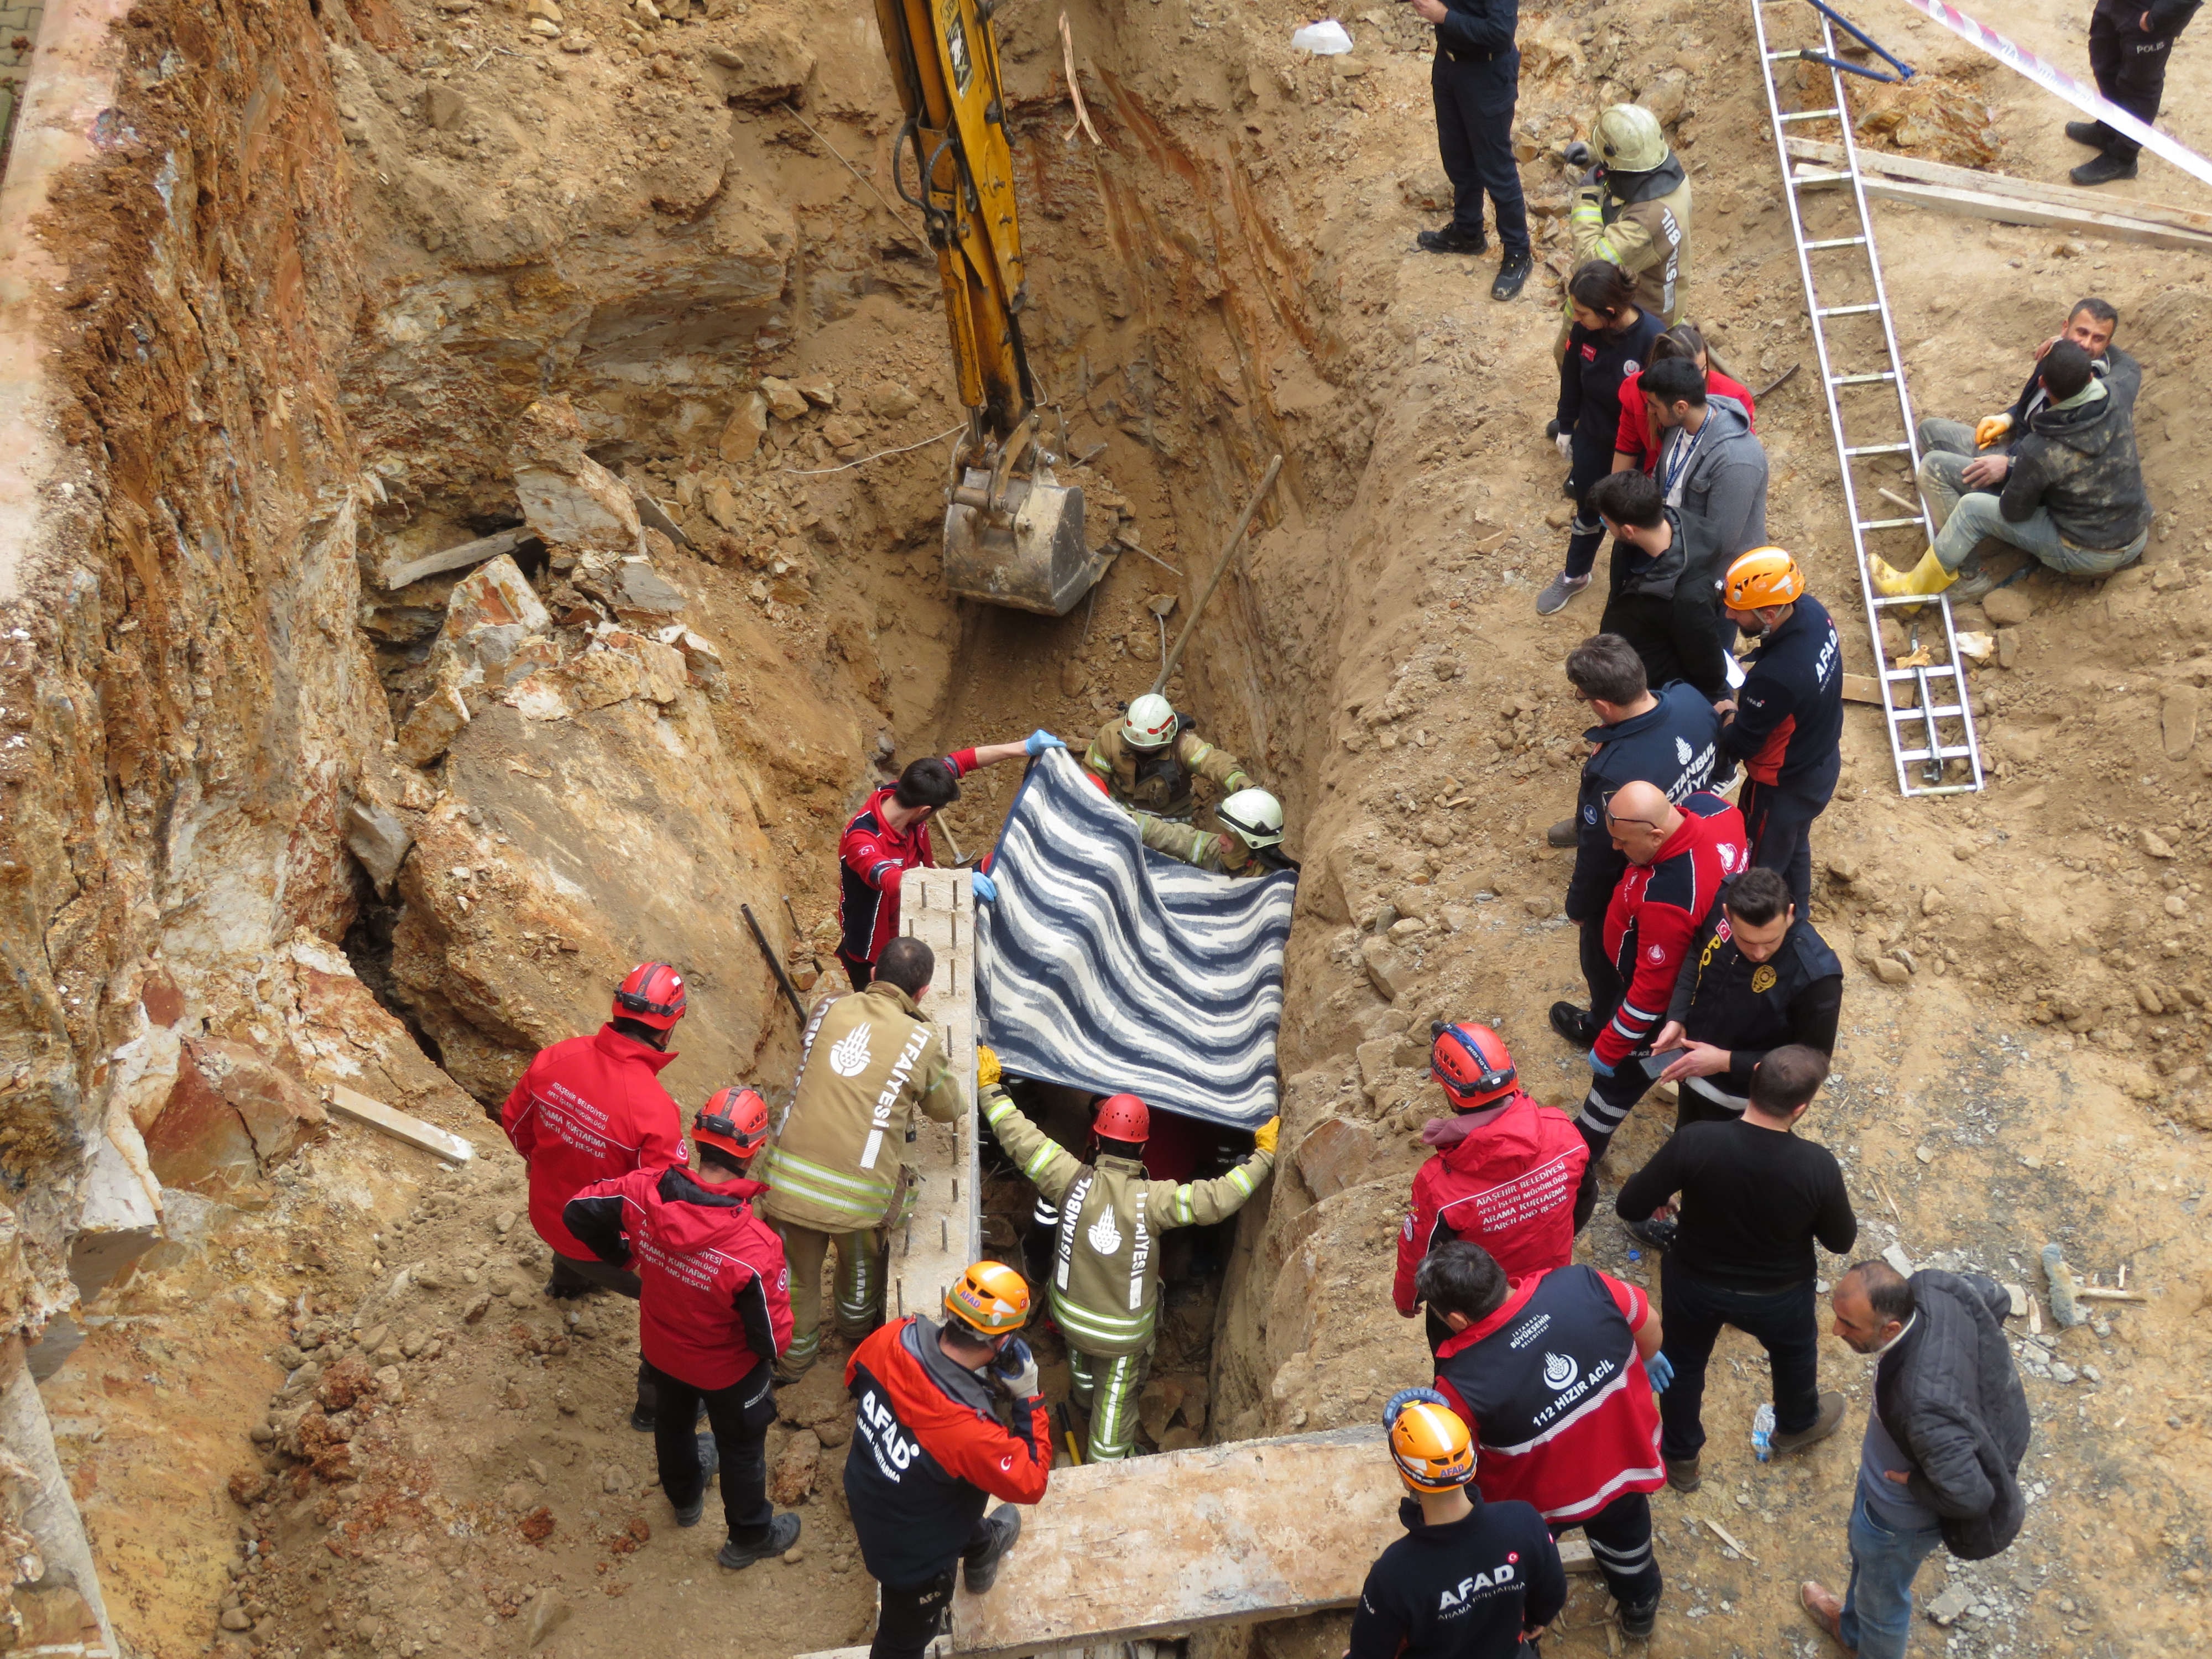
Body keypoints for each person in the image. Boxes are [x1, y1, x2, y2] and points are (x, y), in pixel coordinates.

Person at [978, 1052, 1277, 1460]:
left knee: (1083, 1371)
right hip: (1121, 1337)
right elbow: (1217, 1199)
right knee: (1115, 1408)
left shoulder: (1068, 1177)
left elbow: (1019, 1137)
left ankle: (1083, 1398)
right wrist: (1263, 1157)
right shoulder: (1154, 1200)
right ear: (1143, 1149)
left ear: (1096, 1139)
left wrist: (989, 1089)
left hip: (1069, 1318)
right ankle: (1107, 1461)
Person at [562, 1088, 803, 1569]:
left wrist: (626, 1257)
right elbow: (774, 1339)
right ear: (753, 1153)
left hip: (662, 1346)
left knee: (672, 1423)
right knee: (741, 1448)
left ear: (697, 1140)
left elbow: (578, 1212)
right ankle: (749, 1536)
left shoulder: (645, 1190)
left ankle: (686, 1496)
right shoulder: (754, 1247)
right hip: (728, 1371)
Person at [1613, 1046, 1856, 1492]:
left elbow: (1629, 1204)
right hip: (1779, 1293)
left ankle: (1682, 1459)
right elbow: (1840, 1242)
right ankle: (1797, 1423)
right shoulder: (1817, 1166)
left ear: (1754, 1075)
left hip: (1695, 1284)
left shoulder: (1697, 1141)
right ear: (1801, 1108)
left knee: (1683, 1365)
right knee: (1795, 1351)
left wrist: (1662, 1193)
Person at [1420, 1241, 1670, 1639]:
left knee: (1524, 1559)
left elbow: (1457, 1465)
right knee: (1628, 1546)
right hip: (1623, 1468)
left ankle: (1529, 1620)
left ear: (1457, 1320)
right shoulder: (1587, 1283)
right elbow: (1649, 1325)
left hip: (1537, 1507)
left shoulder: (1460, 1384)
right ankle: (1640, 1609)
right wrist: (1650, 1354)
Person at [1801, 1262, 2031, 1659]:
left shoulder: (1921, 1406)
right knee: (1869, 1573)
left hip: (1897, 1522)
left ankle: (1865, 1637)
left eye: (1849, 1325)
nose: (1836, 1331)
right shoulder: (1930, 1286)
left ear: (1890, 1329)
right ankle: (1851, 1631)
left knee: (1883, 1608)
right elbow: (1994, 1296)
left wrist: (1914, 1485)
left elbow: (1973, 1496)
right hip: (1881, 1497)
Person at [760, 937, 964, 1381]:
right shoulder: (920, 1040)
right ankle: (854, 1328)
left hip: (784, 1183)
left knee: (795, 1278)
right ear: (923, 992)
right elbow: (948, 1109)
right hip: (856, 1198)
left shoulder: (827, 1008)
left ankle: (793, 1363)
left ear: (872, 976)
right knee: (858, 1261)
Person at [500, 961, 690, 1430]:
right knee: (677, 1304)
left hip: (546, 1217)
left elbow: (515, 1124)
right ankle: (654, 1405)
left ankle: (565, 1284)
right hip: (603, 1248)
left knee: (573, 1209)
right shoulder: (654, 1110)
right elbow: (660, 1207)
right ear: (669, 1028)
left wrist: (543, 1164)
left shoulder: (557, 1058)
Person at [845, 1261, 1052, 1659]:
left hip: (867, 1483)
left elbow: (854, 1377)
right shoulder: (969, 1430)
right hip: (910, 1555)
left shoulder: (895, 1335)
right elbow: (1032, 1483)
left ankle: (980, 1547)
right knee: (901, 1642)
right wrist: (1028, 1396)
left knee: (945, 1483)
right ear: (1003, 1341)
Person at [1557, 781, 1746, 1211]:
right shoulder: (1715, 810)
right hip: (1699, 980)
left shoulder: (1669, 898)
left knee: (1619, 1075)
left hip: (1667, 1004)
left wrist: (1608, 1048)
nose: (1617, 848)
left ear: (1656, 835)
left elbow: (1649, 998)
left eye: (1624, 842)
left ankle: (1586, 1146)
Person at [1874, 338, 2150, 602]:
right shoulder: (2119, 389)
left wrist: (2011, 470)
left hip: (2087, 551)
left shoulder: (2042, 448)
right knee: (1932, 433)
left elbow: (2015, 511)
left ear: (2043, 383)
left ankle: (1931, 587)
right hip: (2133, 529)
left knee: (1970, 509)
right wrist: (2071, 351)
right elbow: (2127, 361)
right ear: (2090, 377)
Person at [1393, 1022, 1590, 1352]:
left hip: (1477, 1307)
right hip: (1550, 1286)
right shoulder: (1563, 1132)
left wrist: (1407, 1298)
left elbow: (1422, 1252)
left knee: (1458, 1372)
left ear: (1448, 1090)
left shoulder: (1439, 1185)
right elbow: (1585, 1199)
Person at [1556, 637, 1723, 1019]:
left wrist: (1580, 907)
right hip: (1693, 845)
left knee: (1605, 957)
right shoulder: (1692, 701)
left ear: (1602, 705)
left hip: (1642, 876)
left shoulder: (1614, 772)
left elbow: (1599, 852)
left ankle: (1604, 1021)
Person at [1348, 1388, 1568, 1659]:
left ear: (1406, 1477)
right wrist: (1535, 1621)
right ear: (1470, 1462)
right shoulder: (1524, 1522)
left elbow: (1369, 1652)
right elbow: (1552, 1594)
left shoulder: (1394, 1574)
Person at [837, 731, 1063, 990]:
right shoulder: (862, 839)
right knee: (888, 1006)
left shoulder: (912, 788)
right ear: (925, 811)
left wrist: (1024, 747)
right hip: (875, 947)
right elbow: (891, 880)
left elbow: (963, 761)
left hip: (916, 914)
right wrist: (956, 883)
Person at [1649, 865, 1845, 1127]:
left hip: (1740, 1103)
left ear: (1789, 913)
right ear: (1728, 913)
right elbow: (1698, 950)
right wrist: (1678, 1016)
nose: (1760, 954)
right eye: (1747, 941)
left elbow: (1812, 1061)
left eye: (1771, 941)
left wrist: (1726, 1062)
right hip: (1692, 1068)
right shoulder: (1724, 896)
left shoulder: (1817, 977)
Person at [1715, 547, 1843, 917]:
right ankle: (1799, 915)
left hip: (1781, 787)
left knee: (1759, 874)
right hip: (1820, 766)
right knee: (1794, 843)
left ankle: (1763, 941)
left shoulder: (1776, 677)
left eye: (1737, 610)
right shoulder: (1814, 614)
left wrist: (1727, 714)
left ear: (1769, 614)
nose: (1728, 614)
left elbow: (1740, 744)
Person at [1536, 262, 1667, 617]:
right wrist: (1566, 424)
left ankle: (1638, 586)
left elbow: (1663, 406)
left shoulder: (1652, 339)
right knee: (1588, 509)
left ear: (1610, 312)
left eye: (1582, 312)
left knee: (1635, 519)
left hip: (1637, 448)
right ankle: (1576, 574)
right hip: (1593, 436)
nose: (1576, 318)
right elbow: (1573, 378)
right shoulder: (1585, 331)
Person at [1639, 356, 1768, 677]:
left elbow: (1721, 540)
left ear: (1680, 406)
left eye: (1654, 405)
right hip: (1679, 561)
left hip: (1713, 583)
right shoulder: (1680, 427)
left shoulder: (1737, 460)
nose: (1650, 411)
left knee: (1709, 659)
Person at [1409, 0, 1533, 301]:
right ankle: (1468, 232)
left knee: (1496, 167)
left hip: (1487, 72)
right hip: (1449, 65)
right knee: (1457, 157)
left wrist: (1444, 17)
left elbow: (1500, 32)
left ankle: (1518, 252)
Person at [1584, 471, 1731, 702]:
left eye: (1606, 522)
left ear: (1629, 530)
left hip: (1657, 689)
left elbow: (1707, 666)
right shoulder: (1641, 535)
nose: (1606, 527)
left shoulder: (1688, 598)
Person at [1568, 104, 1692, 326]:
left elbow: (1589, 264)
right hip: (1650, 304)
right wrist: (1594, 154)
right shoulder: (1664, 169)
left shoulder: (1644, 223)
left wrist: (1586, 195)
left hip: (1632, 323)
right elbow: (1633, 161)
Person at [2069, 0, 2203, 186]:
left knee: (2139, 86)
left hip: (2150, 11)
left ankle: (2123, 158)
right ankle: (2110, 129)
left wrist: (2159, 16)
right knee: (2105, 64)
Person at [1081, 693, 1255, 820]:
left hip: (1170, 819)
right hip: (1120, 808)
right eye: (1134, 747)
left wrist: (1246, 787)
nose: (1140, 752)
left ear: (1168, 736)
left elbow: (1216, 764)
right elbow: (1093, 777)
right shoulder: (1111, 736)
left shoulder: (1184, 745)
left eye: (1148, 749)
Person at [1613, 324, 1755, 476]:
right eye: (1689, 373)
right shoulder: (1636, 391)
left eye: (1703, 369)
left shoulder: (1733, 397)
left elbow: (1744, 457)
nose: (1698, 380)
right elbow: (1627, 448)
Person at [1131, 786, 1296, 877]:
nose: (1221, 840)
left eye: (1231, 839)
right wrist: (1127, 819)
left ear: (1251, 844)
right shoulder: (1224, 853)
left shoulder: (1275, 888)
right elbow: (1176, 837)